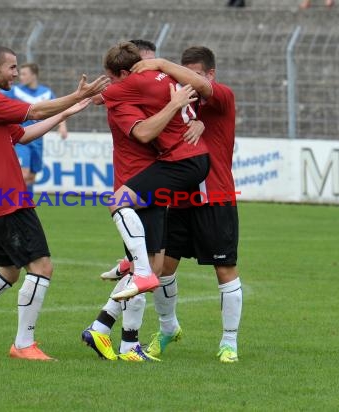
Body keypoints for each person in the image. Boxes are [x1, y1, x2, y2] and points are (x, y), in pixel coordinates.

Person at [0, 45, 109, 360]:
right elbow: (34, 111)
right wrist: (75, 96)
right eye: (12, 68)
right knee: (42, 266)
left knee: (8, 272)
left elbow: (23, 134)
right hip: (9, 200)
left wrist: (68, 111)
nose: (16, 74)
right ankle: (23, 344)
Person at [81, 40, 205, 362]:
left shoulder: (146, 88)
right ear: (126, 72)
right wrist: (174, 105)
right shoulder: (123, 102)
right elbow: (145, 133)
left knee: (154, 266)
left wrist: (196, 119)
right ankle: (125, 341)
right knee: (146, 268)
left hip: (156, 180)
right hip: (136, 183)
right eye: (140, 66)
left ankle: (106, 330)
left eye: (150, 64)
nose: (147, 72)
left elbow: (193, 103)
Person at [131, 46, 242, 363]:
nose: (188, 83)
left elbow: (205, 92)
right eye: (184, 75)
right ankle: (168, 328)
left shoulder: (222, 96)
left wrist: (163, 63)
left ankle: (229, 342)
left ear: (210, 74)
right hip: (180, 197)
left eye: (193, 75)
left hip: (215, 197)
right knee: (163, 268)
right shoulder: (177, 105)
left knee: (224, 269)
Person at [100, 42, 211, 302]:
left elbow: (96, 98)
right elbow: (204, 89)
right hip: (193, 158)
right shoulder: (168, 75)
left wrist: (78, 99)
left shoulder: (130, 84)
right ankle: (133, 270)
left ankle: (139, 271)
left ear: (123, 74)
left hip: (181, 161)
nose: (109, 82)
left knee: (117, 202)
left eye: (111, 77)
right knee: (153, 257)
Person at [0, 63, 67, 193]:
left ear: (34, 75)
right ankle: (15, 206)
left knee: (31, 177)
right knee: (23, 174)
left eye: (24, 74)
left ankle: (27, 207)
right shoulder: (15, 91)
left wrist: (62, 126)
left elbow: (58, 110)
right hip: (21, 139)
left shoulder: (46, 93)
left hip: (38, 141)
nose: (20, 77)